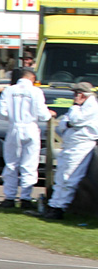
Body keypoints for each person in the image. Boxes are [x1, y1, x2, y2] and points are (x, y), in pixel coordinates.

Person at [0, 68, 51, 209]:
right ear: (31, 77)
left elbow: (1, 112)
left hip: (14, 127)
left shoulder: (9, 91)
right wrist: (50, 115)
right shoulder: (36, 92)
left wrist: (12, 117)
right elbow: (43, 115)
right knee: (29, 165)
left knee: (11, 164)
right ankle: (25, 198)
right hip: (30, 127)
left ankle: (10, 198)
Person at [43, 82, 98, 220]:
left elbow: (75, 119)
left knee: (69, 177)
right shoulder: (81, 107)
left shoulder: (89, 106)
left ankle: (60, 208)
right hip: (70, 144)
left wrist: (74, 109)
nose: (74, 96)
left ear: (81, 94)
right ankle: (53, 205)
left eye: (75, 94)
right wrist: (69, 123)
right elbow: (63, 123)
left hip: (81, 145)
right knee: (60, 176)